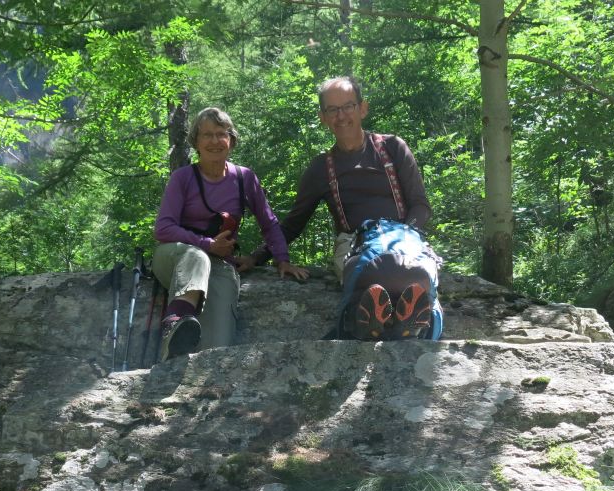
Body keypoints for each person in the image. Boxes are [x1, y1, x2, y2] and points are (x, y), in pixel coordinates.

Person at [239, 76, 436, 340]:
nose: (341, 116)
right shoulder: (321, 168)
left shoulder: (392, 148)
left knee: (413, 269)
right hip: (355, 243)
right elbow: (294, 223)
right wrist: (257, 257)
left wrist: (405, 236)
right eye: (332, 109)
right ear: (323, 117)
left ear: (362, 108)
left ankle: (379, 322)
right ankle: (396, 323)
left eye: (348, 106)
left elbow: (420, 205)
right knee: (377, 271)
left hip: (403, 236)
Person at [153, 107, 308, 361]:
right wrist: (207, 244)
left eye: (221, 134)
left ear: (231, 140)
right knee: (197, 258)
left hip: (219, 263)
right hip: (175, 256)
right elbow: (163, 228)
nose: (214, 141)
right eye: (207, 135)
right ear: (196, 142)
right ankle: (174, 325)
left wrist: (282, 259)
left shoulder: (244, 178)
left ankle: (206, 382)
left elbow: (268, 222)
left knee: (219, 340)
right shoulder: (183, 178)